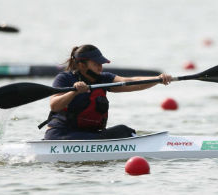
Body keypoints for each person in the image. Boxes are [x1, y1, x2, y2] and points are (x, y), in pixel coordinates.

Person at [41, 44, 172, 140]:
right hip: (60, 135)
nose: (100, 67)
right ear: (82, 65)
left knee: (124, 131)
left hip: (89, 136)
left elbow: (131, 81)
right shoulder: (65, 78)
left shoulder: (104, 78)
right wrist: (74, 92)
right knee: (122, 131)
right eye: (96, 63)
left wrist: (158, 79)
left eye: (101, 63)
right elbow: (54, 105)